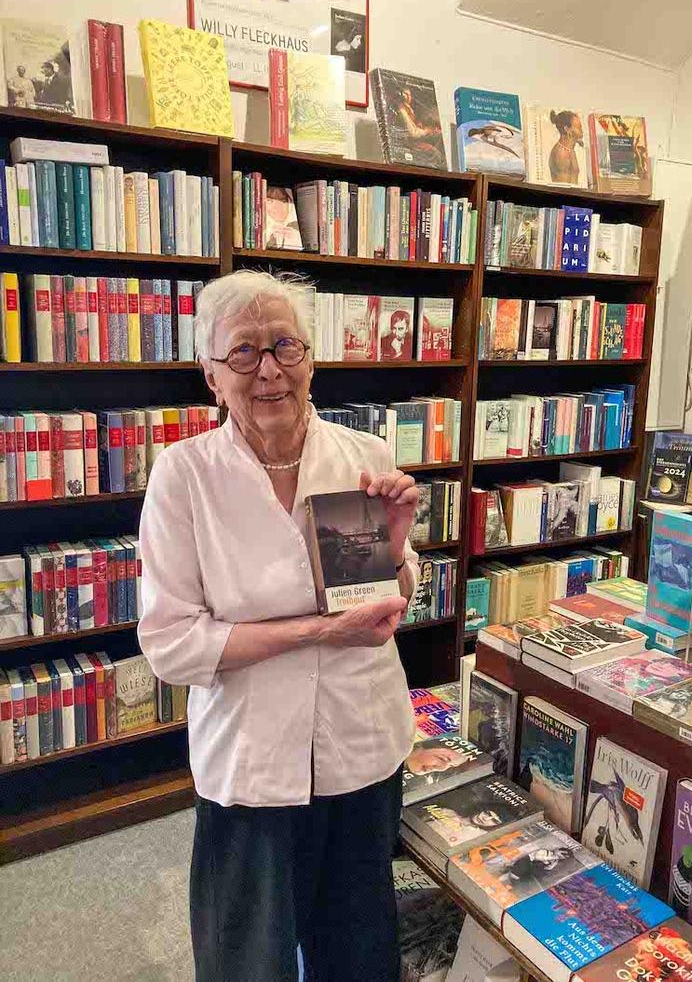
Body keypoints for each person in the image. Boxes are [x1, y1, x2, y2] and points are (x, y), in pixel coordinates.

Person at [137, 270, 421, 982]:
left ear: (310, 359)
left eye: (284, 346)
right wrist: (314, 633)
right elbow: (171, 643)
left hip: (359, 744)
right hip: (251, 763)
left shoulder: (364, 458)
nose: (268, 370)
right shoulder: (184, 476)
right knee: (248, 960)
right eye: (243, 353)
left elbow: (389, 604)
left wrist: (395, 552)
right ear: (211, 375)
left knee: (357, 953)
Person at [548, 110, 584, 185]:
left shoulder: (569, 148)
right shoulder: (562, 155)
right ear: (567, 129)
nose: (582, 131)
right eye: (579, 128)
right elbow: (564, 189)